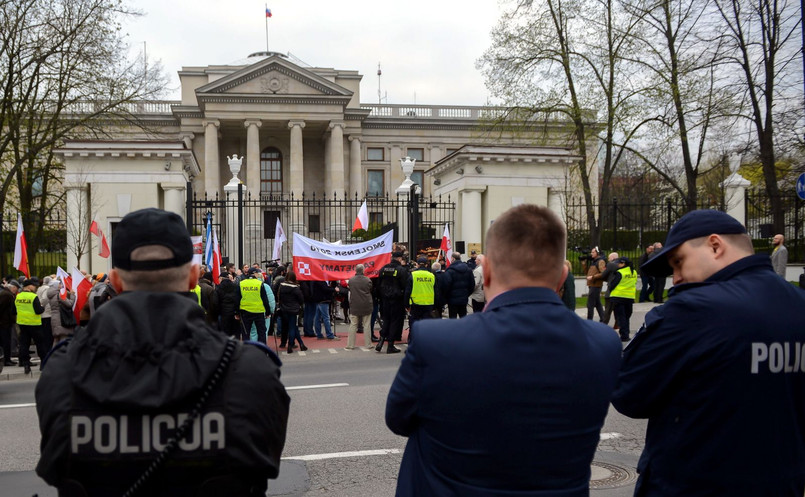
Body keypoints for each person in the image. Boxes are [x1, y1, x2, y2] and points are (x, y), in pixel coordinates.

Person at [35, 207, 290, 496]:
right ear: (193, 277)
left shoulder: (61, 374)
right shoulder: (252, 373)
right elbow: (264, 464)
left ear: (115, 281)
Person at [386, 204, 622, 496]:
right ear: (563, 278)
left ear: (486, 274)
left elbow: (398, 420)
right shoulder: (604, 343)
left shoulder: (436, 342)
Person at [612, 209, 805, 496]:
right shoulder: (798, 304)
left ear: (715, 245)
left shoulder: (693, 309)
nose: (676, 278)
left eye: (679, 262)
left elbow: (629, 394)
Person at [376, 251, 411, 354]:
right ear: (400, 258)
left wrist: (380, 297)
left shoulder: (383, 268)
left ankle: (381, 341)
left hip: (385, 299)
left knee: (386, 320)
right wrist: (406, 302)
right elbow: (405, 286)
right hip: (397, 299)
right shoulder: (401, 270)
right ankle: (390, 345)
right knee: (395, 321)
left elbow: (378, 284)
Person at [16, 278, 49, 374]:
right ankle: (43, 364)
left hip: (22, 323)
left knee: (24, 345)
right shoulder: (33, 297)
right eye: (34, 285)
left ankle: (26, 364)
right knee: (40, 344)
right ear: (29, 286)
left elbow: (13, 311)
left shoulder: (18, 296)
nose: (35, 287)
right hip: (34, 324)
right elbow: (38, 310)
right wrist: (42, 307)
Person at [407, 256, 436, 342]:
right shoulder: (432, 275)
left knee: (413, 325)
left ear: (417, 264)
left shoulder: (412, 275)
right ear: (427, 265)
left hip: (415, 303)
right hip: (428, 304)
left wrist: (406, 304)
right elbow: (436, 290)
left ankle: (412, 343)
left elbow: (407, 291)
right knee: (427, 325)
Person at [276, 271, 306, 353]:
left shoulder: (282, 286)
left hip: (284, 309)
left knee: (288, 326)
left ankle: (301, 344)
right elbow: (301, 299)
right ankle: (290, 345)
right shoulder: (295, 287)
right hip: (293, 309)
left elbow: (279, 297)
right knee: (293, 327)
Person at [346, 264, 374, 350]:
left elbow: (349, 288)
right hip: (366, 304)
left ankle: (350, 345)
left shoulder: (351, 280)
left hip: (354, 304)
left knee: (353, 325)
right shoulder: (367, 280)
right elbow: (370, 289)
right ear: (363, 270)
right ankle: (368, 344)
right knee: (366, 325)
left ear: (356, 270)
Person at [608, 257, 636, 341]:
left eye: (618, 263)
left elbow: (613, 284)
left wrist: (610, 287)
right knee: (627, 317)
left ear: (623, 263)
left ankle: (624, 335)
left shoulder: (620, 272)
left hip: (618, 297)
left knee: (621, 317)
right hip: (629, 297)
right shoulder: (634, 272)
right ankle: (626, 333)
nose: (617, 264)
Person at [442, 252, 474, 319]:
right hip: (464, 298)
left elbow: (446, 285)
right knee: (463, 317)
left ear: (453, 259)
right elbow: (472, 284)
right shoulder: (468, 270)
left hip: (452, 300)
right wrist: (466, 294)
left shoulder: (449, 271)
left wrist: (446, 297)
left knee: (453, 319)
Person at [0, 280, 20, 366]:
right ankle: (6, 360)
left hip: (5, 322)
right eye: (16, 288)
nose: (16, 290)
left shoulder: (6, 294)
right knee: (6, 342)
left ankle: (7, 359)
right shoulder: (6, 295)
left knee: (6, 342)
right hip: (4, 323)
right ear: (13, 287)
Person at [598, 251, 620, 326]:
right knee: (617, 309)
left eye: (609, 258)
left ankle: (603, 325)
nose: (608, 259)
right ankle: (618, 324)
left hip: (611, 289)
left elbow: (603, 275)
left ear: (613, 258)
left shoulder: (611, 264)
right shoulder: (623, 265)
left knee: (608, 310)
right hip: (620, 291)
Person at [585, 247, 606, 320]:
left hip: (596, 285)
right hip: (592, 285)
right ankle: (603, 318)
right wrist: (584, 264)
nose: (591, 253)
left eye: (593, 252)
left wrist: (593, 277)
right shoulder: (594, 261)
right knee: (597, 303)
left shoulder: (600, 261)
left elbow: (603, 273)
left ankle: (589, 320)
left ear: (597, 253)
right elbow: (588, 273)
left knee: (590, 304)